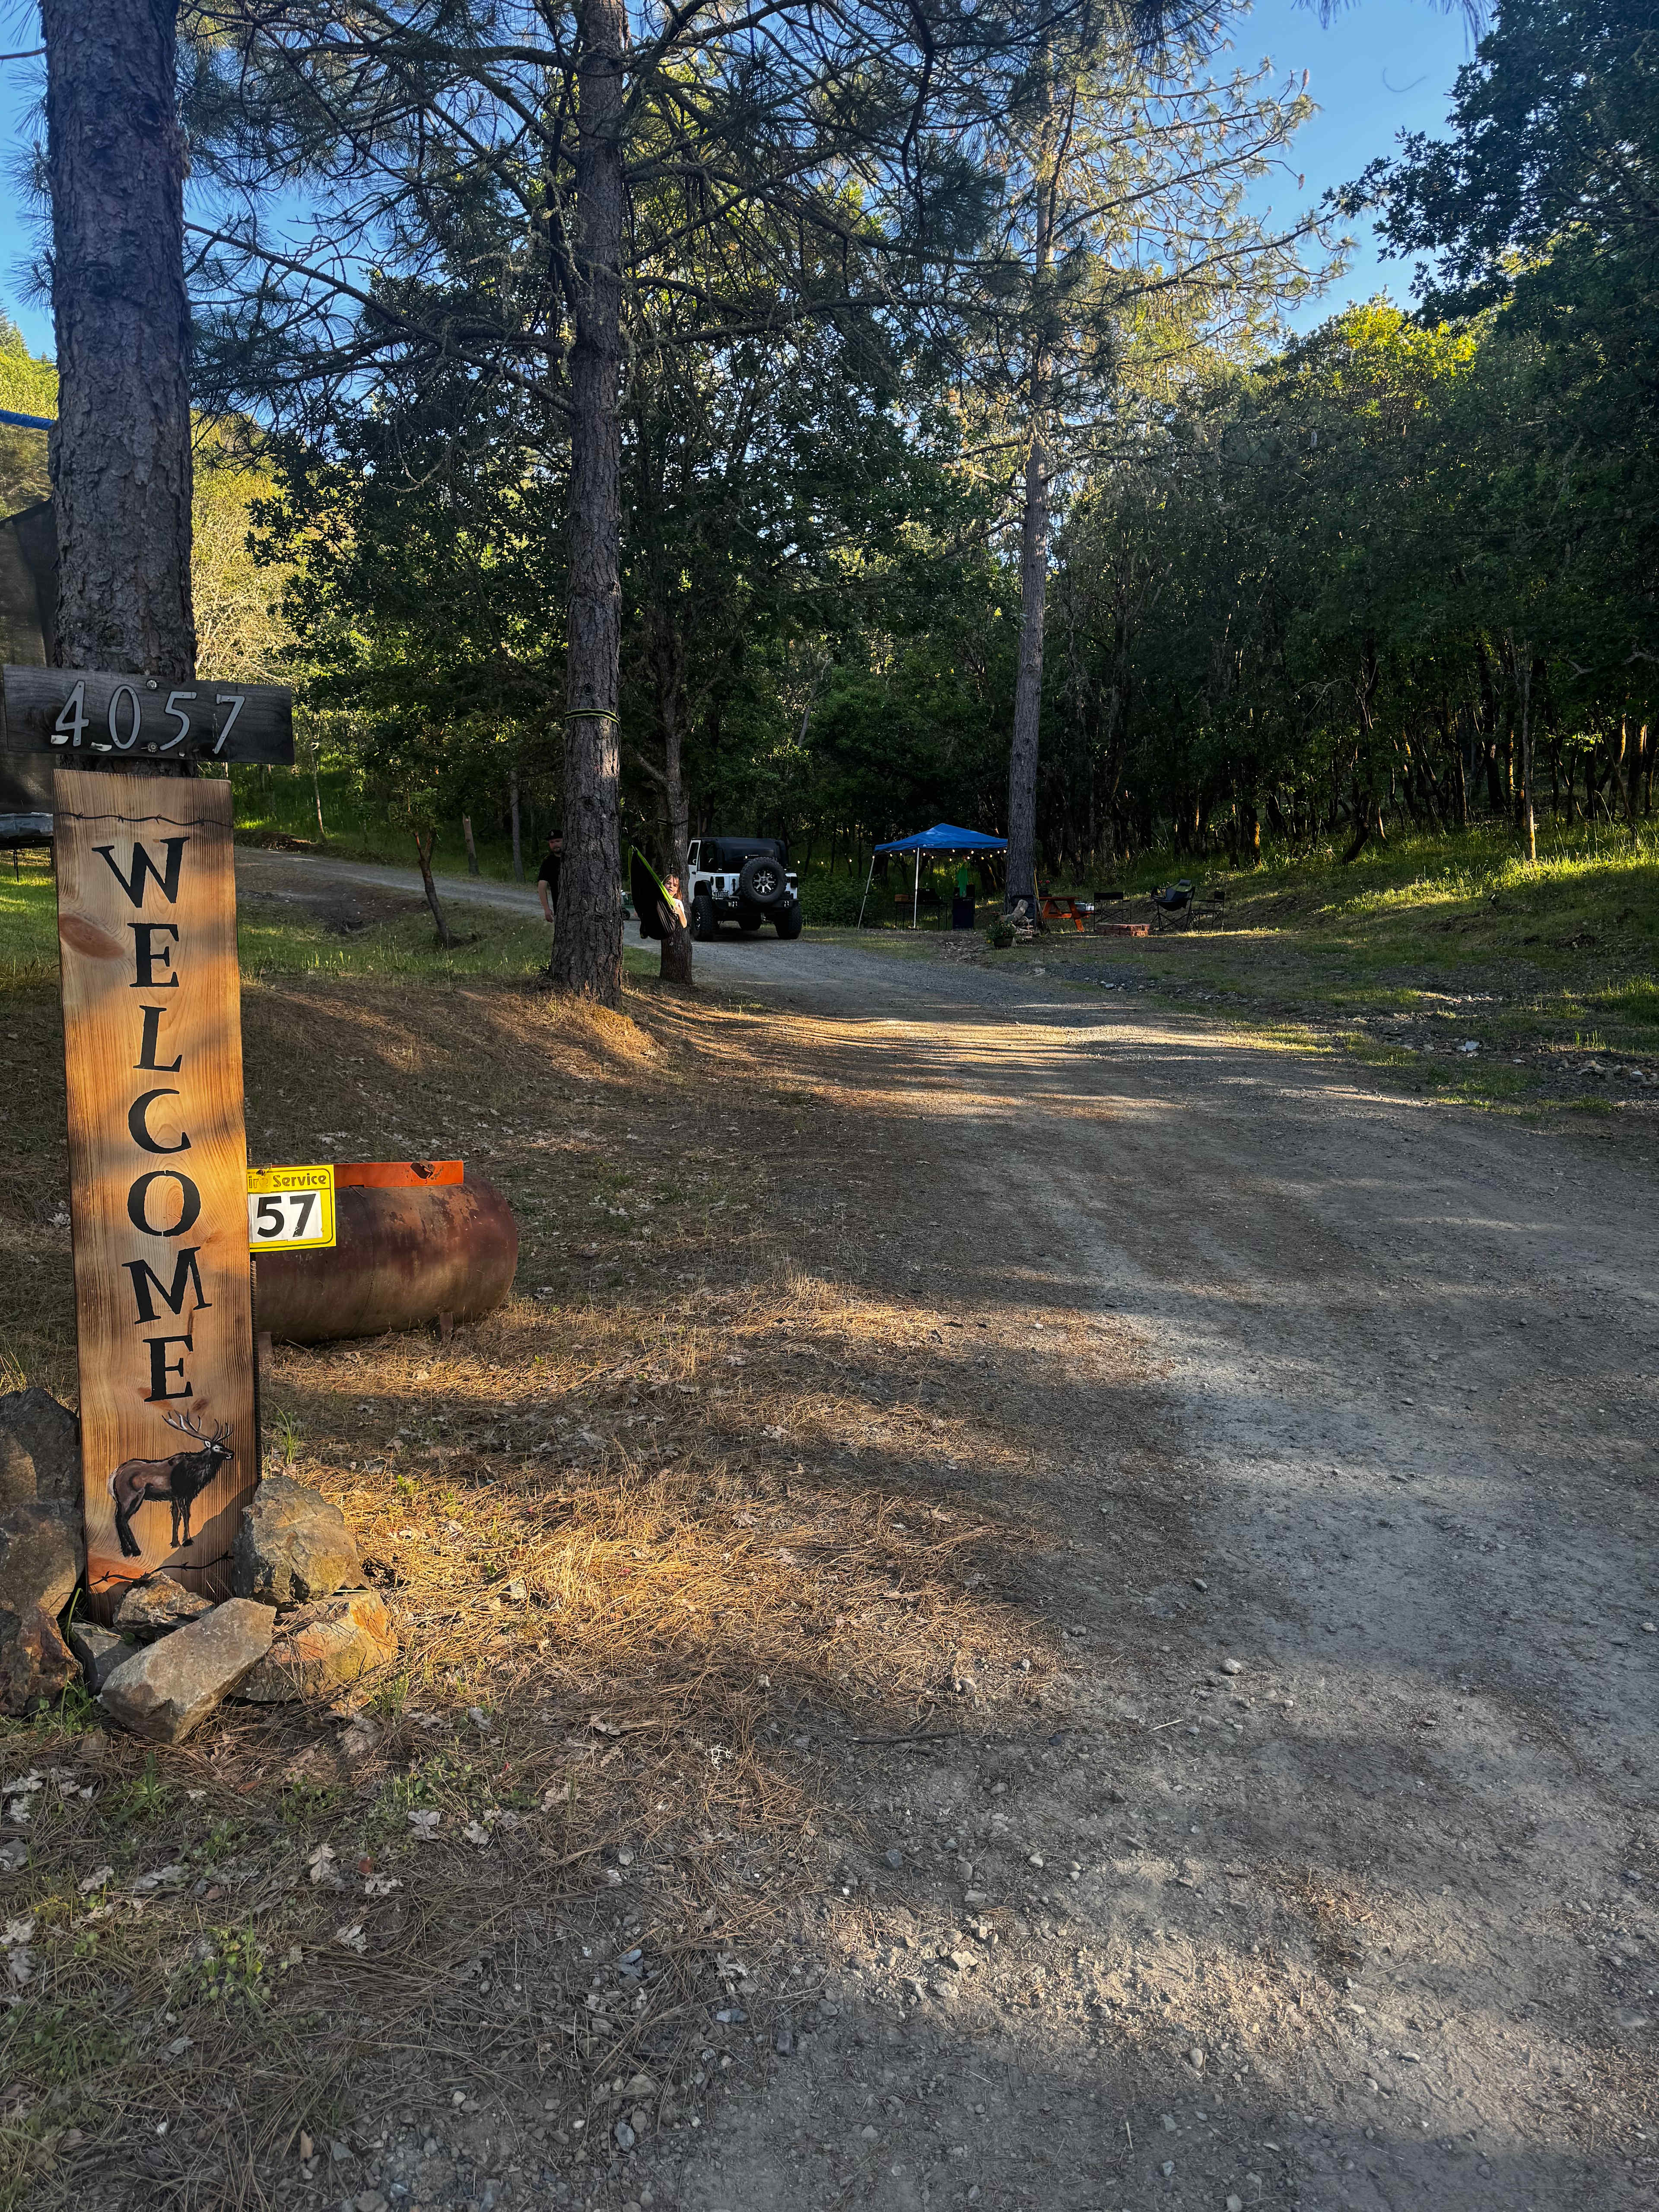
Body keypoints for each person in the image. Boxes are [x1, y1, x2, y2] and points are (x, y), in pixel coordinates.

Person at [536, 832, 563, 928]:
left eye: (558, 841)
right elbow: (542, 886)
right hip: (560, 910)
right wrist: (547, 909)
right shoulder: (548, 862)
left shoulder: (575, 858)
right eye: (552, 842)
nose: (555, 844)